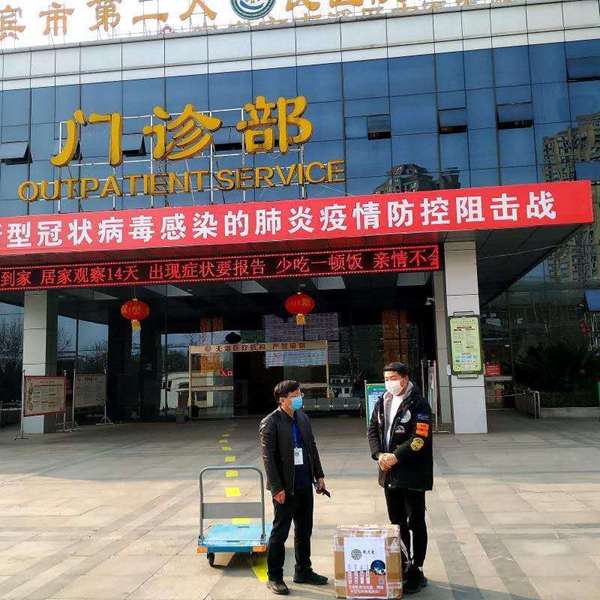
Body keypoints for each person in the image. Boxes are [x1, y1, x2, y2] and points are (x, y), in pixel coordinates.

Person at [367, 362, 433, 595]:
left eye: (393, 378)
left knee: (416, 522)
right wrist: (379, 455)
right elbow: (372, 430)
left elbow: (420, 437)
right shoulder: (382, 401)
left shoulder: (418, 403)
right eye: (386, 378)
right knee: (397, 523)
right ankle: (403, 564)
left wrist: (396, 456)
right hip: (389, 473)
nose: (389, 382)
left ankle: (417, 569)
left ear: (404, 379)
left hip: (412, 473)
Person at [259, 380, 329, 596]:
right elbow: (268, 459)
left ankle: (303, 570)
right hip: (285, 488)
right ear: (283, 400)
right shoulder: (270, 422)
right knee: (280, 533)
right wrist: (276, 488)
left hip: (304, 483)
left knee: (304, 530)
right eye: (295, 395)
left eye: (300, 393)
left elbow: (311, 447)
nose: (299, 398)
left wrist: (319, 475)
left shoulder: (303, 418)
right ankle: (275, 577)